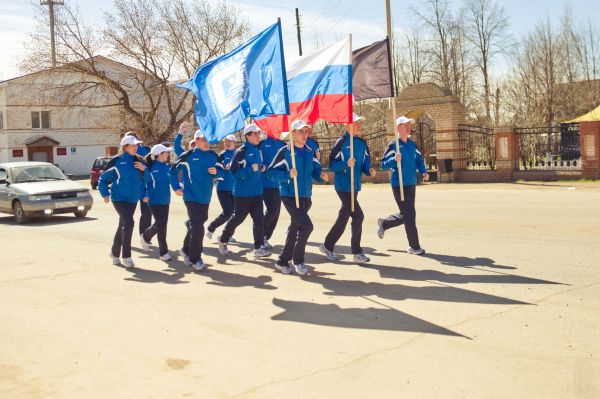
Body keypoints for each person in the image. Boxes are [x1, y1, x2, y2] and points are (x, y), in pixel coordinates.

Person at [267, 119, 328, 275]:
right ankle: (298, 260)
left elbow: (315, 170)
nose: (304, 134)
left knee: (295, 228)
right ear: (292, 133)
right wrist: (288, 174)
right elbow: (270, 173)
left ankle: (282, 261)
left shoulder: (310, 151)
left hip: (305, 196)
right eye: (300, 131)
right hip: (289, 195)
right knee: (307, 226)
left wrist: (321, 176)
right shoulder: (285, 152)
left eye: (306, 131)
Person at [319, 113, 376, 264]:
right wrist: (345, 164)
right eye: (356, 123)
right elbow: (331, 165)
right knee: (358, 216)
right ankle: (357, 252)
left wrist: (369, 170)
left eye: (358, 123)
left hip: (355, 186)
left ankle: (327, 245)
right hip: (343, 187)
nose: (358, 125)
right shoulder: (341, 142)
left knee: (343, 217)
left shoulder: (362, 143)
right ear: (347, 125)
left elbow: (366, 162)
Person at [169, 130, 222, 270]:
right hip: (191, 196)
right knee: (198, 228)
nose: (207, 142)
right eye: (203, 139)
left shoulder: (212, 155)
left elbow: (223, 170)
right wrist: (176, 187)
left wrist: (217, 172)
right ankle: (195, 259)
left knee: (197, 224)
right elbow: (172, 172)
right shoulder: (188, 156)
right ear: (196, 141)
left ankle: (186, 249)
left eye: (208, 139)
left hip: (206, 197)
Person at [377, 116, 429, 255]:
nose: (408, 127)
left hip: (411, 183)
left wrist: (424, 171)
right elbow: (383, 164)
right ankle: (414, 246)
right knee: (409, 214)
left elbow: (419, 159)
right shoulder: (393, 145)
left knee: (407, 214)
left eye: (408, 125)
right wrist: (393, 160)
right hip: (398, 184)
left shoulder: (412, 144)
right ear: (398, 128)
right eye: (405, 125)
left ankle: (385, 223)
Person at [218, 124, 270, 258]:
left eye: (259, 133)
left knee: (259, 220)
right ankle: (223, 238)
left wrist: (261, 167)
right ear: (248, 136)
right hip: (243, 193)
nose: (258, 136)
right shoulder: (241, 151)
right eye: (255, 134)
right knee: (238, 218)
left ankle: (258, 247)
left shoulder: (258, 150)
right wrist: (248, 170)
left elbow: (257, 166)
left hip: (257, 192)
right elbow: (233, 172)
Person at [99, 135, 150, 268]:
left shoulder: (139, 160)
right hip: (119, 198)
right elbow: (103, 178)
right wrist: (105, 193)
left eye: (137, 145)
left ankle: (114, 253)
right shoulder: (116, 161)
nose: (136, 147)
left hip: (133, 199)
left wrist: (144, 170)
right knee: (129, 223)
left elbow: (147, 181)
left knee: (123, 226)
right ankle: (126, 256)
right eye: (133, 145)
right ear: (125, 146)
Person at [140, 144, 174, 261]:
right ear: (159, 155)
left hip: (165, 200)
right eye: (166, 152)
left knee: (161, 224)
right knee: (161, 223)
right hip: (153, 200)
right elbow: (142, 183)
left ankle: (146, 236)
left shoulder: (167, 167)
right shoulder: (150, 168)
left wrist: (180, 186)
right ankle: (163, 252)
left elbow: (172, 181)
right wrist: (143, 195)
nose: (168, 154)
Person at [124, 131, 154, 246]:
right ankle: (142, 237)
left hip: (142, 185)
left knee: (145, 212)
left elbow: (150, 165)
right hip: (133, 187)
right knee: (134, 214)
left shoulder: (146, 150)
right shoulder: (126, 153)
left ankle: (144, 236)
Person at [206, 134, 238, 239]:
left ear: (235, 143)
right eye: (226, 141)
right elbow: (218, 171)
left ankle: (227, 234)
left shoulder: (239, 154)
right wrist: (225, 168)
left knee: (235, 214)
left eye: (230, 141)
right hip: (223, 188)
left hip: (235, 189)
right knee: (228, 212)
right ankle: (211, 227)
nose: (227, 143)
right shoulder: (222, 155)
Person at [259, 131, 287, 250]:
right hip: (266, 183)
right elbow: (256, 158)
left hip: (279, 184)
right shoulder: (261, 144)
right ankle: (260, 237)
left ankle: (265, 237)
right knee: (272, 210)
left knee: (276, 213)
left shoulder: (283, 144)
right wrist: (262, 166)